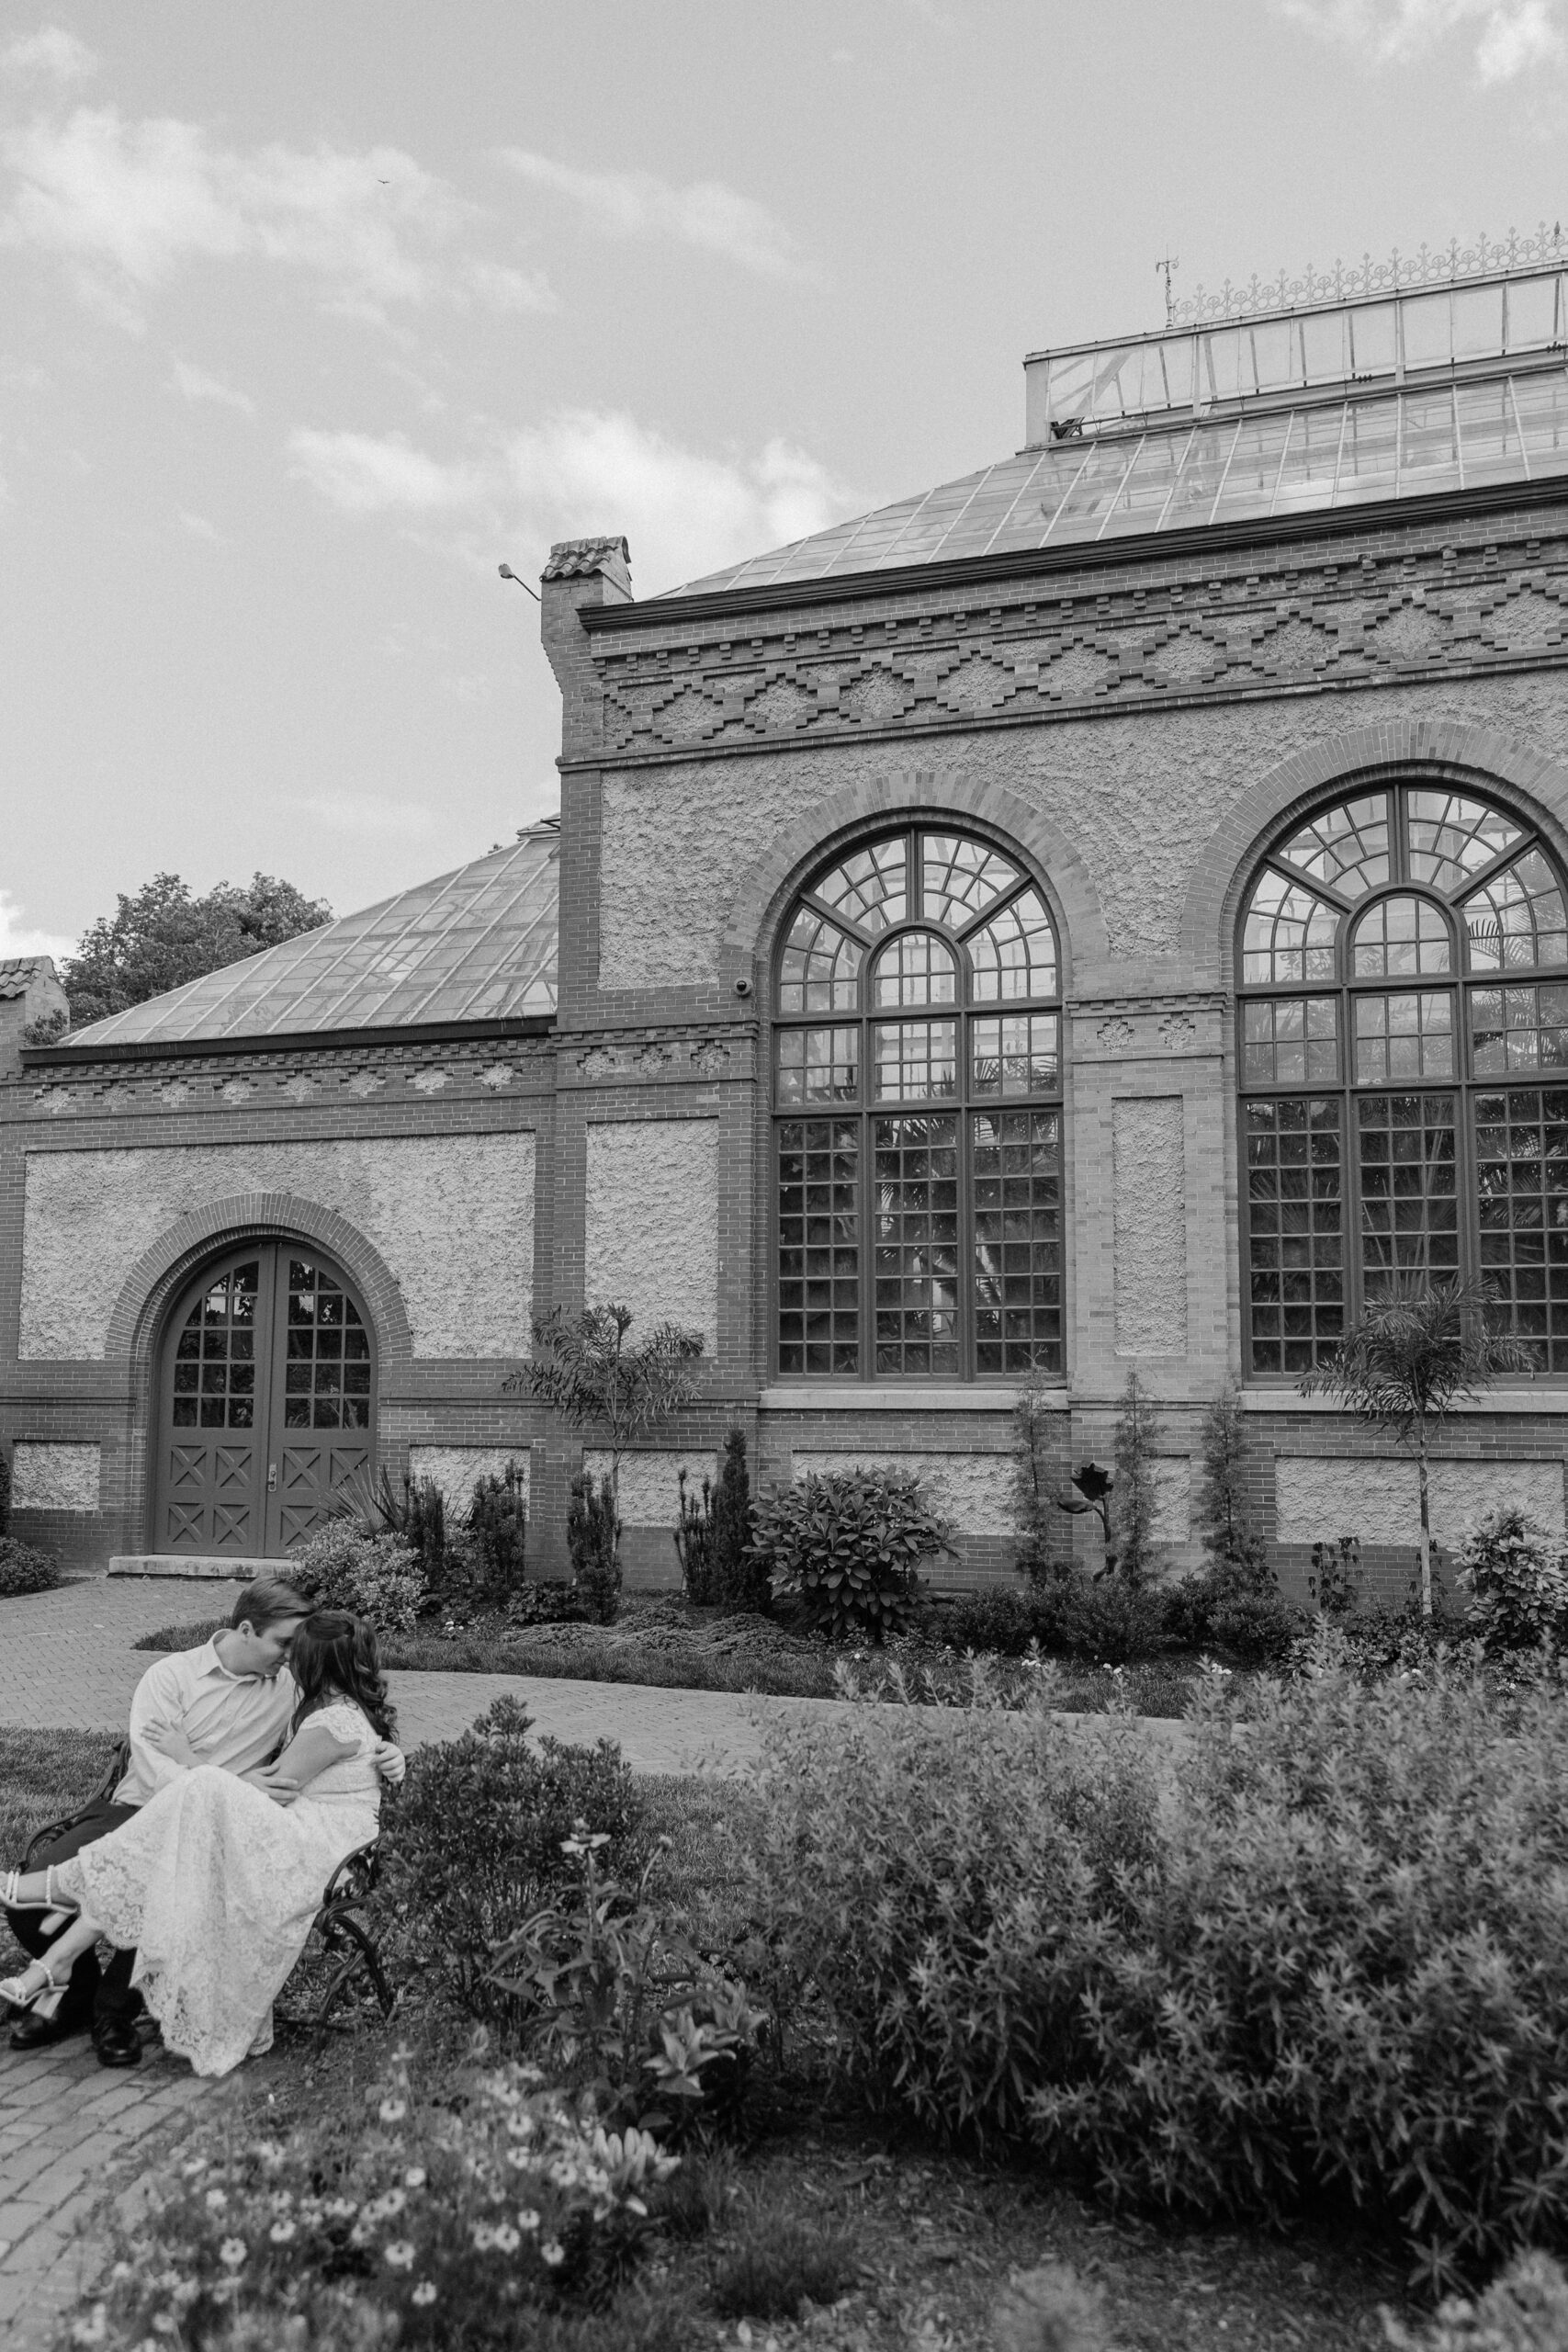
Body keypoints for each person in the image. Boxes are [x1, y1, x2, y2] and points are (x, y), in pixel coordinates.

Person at [0, 1576, 403, 2067]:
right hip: (135, 1810)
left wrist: (389, 1752)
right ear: (248, 1630)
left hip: (215, 1819)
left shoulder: (292, 1687)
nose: (290, 1655)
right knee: (40, 1907)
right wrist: (227, 1782)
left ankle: (113, 2014)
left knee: (176, 1887)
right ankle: (74, 1991)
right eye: (283, 1643)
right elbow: (153, 1769)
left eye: (297, 1649)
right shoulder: (170, 1676)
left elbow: (346, 1723)